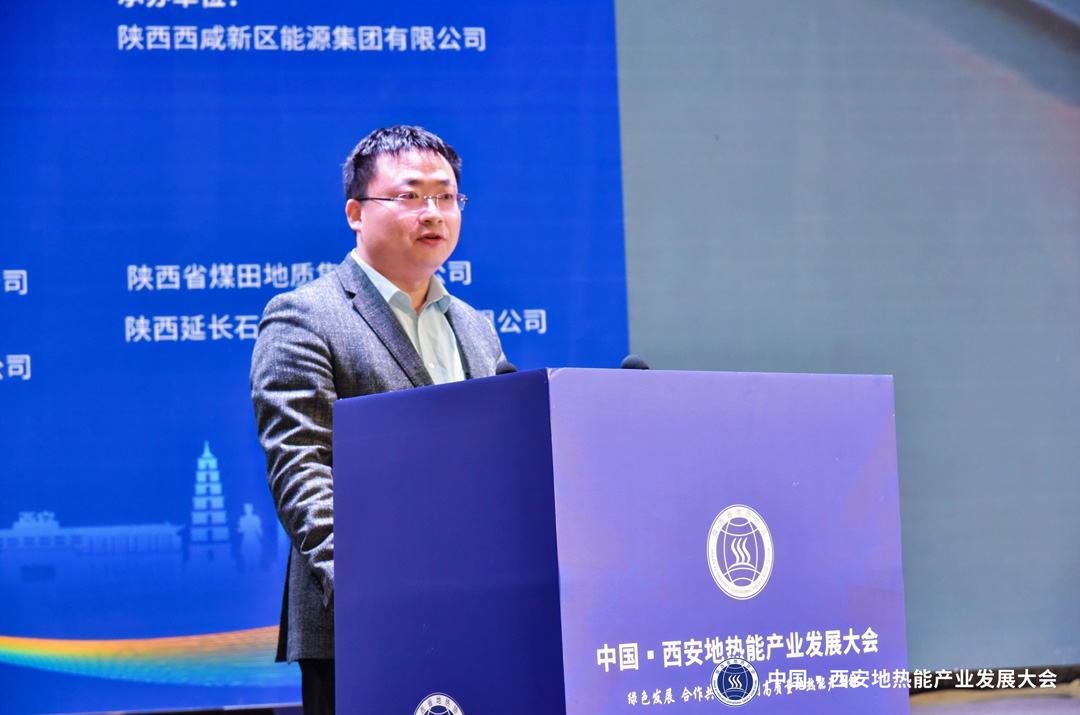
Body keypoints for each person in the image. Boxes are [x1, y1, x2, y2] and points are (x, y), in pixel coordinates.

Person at [250, 125, 505, 714]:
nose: (433, 212)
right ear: (355, 213)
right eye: (410, 195)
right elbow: (302, 467)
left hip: (481, 610)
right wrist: (366, 591)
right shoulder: (304, 318)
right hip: (363, 625)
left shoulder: (475, 327)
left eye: (446, 196)